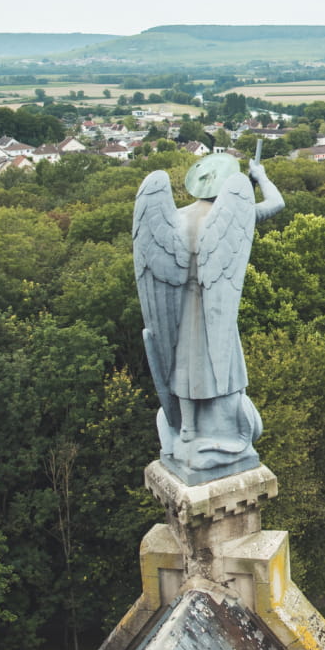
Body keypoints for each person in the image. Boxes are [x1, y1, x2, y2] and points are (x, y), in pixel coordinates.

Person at [133, 152, 284, 483]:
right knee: (219, 365)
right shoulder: (233, 213)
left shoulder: (175, 217)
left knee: (183, 365)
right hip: (215, 310)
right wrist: (259, 176)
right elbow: (277, 203)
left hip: (182, 314)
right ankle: (222, 433)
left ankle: (188, 428)